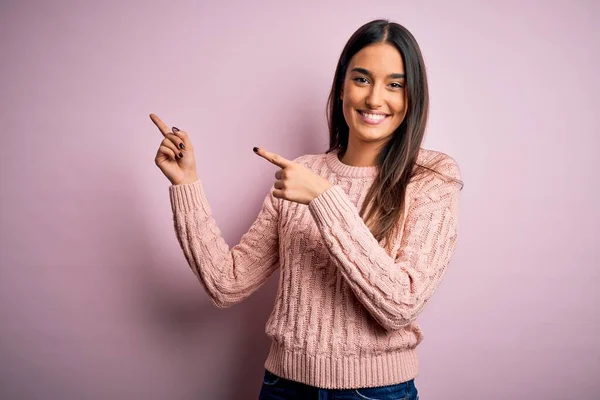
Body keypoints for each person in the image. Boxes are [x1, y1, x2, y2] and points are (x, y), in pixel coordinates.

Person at [151, 18, 463, 400]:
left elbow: (399, 306)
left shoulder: (433, 177)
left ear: (412, 96)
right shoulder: (304, 171)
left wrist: (323, 198)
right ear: (342, 86)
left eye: (394, 84)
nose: (374, 99)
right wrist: (186, 184)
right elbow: (226, 283)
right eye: (361, 79)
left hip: (377, 392)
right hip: (284, 388)